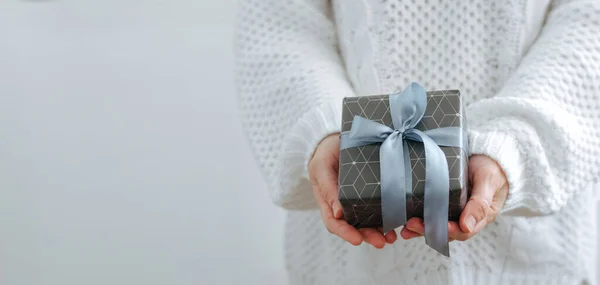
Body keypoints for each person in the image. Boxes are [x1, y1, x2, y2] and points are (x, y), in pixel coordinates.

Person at [234, 0, 600, 284]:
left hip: (537, 252)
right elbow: (279, 22)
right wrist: (329, 132)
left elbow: (588, 21)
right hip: (348, 260)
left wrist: (514, 147)